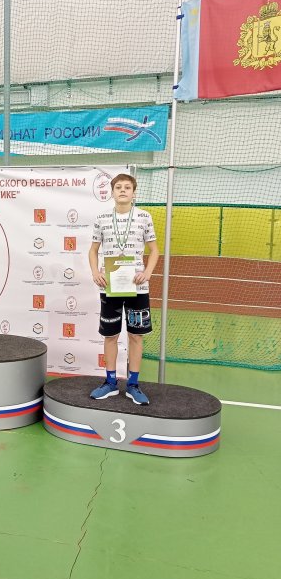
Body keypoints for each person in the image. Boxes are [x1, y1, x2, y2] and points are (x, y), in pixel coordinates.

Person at [88, 173, 159, 405]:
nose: (122, 190)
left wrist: (147, 273)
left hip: (138, 286)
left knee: (136, 335)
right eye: (118, 187)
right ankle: (110, 383)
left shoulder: (144, 217)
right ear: (112, 192)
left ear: (133, 192)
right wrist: (96, 273)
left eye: (127, 187)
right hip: (110, 286)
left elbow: (154, 250)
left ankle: (133, 385)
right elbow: (93, 250)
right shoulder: (102, 218)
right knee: (110, 335)